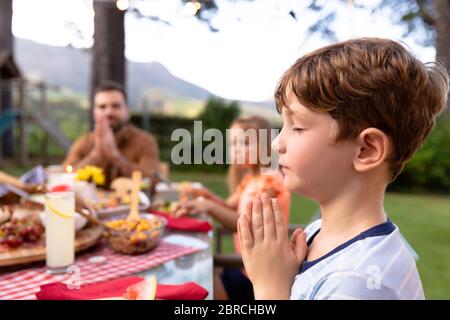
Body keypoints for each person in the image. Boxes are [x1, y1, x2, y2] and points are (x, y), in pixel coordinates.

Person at [237, 37, 449, 300]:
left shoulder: (359, 282)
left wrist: (270, 288)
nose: (277, 142)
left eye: (298, 127)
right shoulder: (317, 233)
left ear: (366, 150)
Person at [173, 116, 290, 300]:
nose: (235, 149)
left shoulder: (269, 183)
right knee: (202, 271)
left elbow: (246, 224)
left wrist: (208, 205)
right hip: (246, 266)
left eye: (244, 142)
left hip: (260, 278)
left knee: (200, 279)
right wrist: (205, 194)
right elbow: (229, 206)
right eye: (232, 143)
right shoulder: (251, 179)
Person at [63, 81, 160, 187]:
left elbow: (152, 180)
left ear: (127, 111)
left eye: (116, 106)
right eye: (102, 107)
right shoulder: (83, 142)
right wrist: (95, 155)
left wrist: (115, 156)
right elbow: (65, 176)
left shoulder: (145, 142)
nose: (109, 112)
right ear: (94, 112)